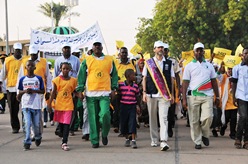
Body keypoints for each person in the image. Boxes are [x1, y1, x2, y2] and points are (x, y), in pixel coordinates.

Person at [77, 42, 118, 148]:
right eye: (95, 46)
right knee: (93, 118)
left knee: (105, 115)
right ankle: (94, 140)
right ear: (92, 48)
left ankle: (104, 134)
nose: (97, 48)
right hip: (91, 93)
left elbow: (114, 75)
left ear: (102, 48)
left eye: (99, 46)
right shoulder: (87, 60)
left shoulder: (109, 60)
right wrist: (80, 90)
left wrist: (114, 88)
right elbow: (81, 76)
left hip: (105, 92)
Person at [182, 42, 220, 149]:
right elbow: (185, 83)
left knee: (208, 117)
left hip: (207, 95)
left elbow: (214, 82)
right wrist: (184, 99)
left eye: (201, 50)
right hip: (193, 96)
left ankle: (204, 134)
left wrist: (217, 96)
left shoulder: (209, 65)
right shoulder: (189, 66)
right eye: (197, 50)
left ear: (203, 52)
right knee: (194, 120)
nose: (199, 52)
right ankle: (197, 141)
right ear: (194, 52)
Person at [142, 41, 175, 151]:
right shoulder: (149, 63)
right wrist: (144, 92)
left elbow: (172, 79)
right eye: (158, 48)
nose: (160, 49)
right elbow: (144, 78)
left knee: (163, 117)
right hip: (151, 93)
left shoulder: (169, 63)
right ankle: (154, 139)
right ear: (154, 49)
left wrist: (173, 94)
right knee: (152, 118)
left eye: (162, 48)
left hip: (164, 95)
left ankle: (163, 141)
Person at [47, 62, 77, 151]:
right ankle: (61, 134)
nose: (65, 70)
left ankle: (65, 142)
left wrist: (80, 95)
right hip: (59, 105)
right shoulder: (57, 80)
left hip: (68, 105)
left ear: (70, 70)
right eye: (64, 69)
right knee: (61, 124)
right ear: (60, 69)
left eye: (67, 69)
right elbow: (53, 93)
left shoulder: (73, 80)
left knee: (67, 124)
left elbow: (75, 91)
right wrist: (49, 104)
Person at [17, 60, 45, 150]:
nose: (30, 67)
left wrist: (34, 91)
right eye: (28, 65)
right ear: (26, 67)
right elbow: (19, 92)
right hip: (26, 106)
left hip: (36, 105)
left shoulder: (38, 79)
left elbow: (42, 91)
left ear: (34, 67)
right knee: (27, 123)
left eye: (32, 66)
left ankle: (37, 136)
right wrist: (25, 91)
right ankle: (27, 141)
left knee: (36, 125)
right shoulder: (22, 79)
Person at [54, 43, 80, 136]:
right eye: (64, 48)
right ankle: (59, 128)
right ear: (62, 50)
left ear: (70, 49)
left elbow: (79, 74)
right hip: (61, 87)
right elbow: (55, 74)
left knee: (72, 108)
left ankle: (70, 128)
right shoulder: (58, 60)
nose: (66, 50)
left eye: (68, 48)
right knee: (60, 108)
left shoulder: (76, 60)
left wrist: (78, 88)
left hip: (72, 87)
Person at [0, 42, 23, 133]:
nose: (17, 52)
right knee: (13, 109)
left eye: (19, 50)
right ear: (13, 50)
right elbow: (3, 73)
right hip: (11, 88)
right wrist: (0, 82)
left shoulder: (25, 60)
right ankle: (15, 127)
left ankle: (26, 125)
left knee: (25, 108)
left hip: (22, 88)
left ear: (21, 51)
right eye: (16, 50)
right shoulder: (8, 60)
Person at [113, 47, 136, 134]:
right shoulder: (115, 64)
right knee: (117, 108)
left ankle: (126, 129)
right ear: (119, 54)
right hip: (118, 90)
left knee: (126, 111)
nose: (124, 54)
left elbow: (134, 76)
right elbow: (113, 75)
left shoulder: (131, 64)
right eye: (122, 53)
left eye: (125, 53)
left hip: (129, 90)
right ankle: (116, 126)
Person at [231, 47, 248, 149]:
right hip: (241, 96)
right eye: (245, 53)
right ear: (242, 55)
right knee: (243, 117)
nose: (246, 55)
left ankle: (246, 140)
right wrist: (234, 97)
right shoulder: (236, 68)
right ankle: (238, 138)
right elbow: (234, 83)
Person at [119, 69, 140, 149]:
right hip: (123, 106)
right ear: (128, 76)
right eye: (133, 75)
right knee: (125, 122)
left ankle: (133, 140)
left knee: (132, 122)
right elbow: (119, 96)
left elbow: (137, 96)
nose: (134, 77)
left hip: (132, 106)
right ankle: (127, 138)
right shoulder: (121, 85)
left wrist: (138, 106)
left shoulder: (135, 86)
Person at [163, 43, 181, 137]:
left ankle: (169, 127)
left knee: (171, 109)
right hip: (161, 88)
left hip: (171, 88)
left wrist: (179, 87)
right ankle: (163, 128)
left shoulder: (173, 61)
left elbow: (177, 75)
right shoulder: (157, 61)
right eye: (163, 49)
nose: (164, 51)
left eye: (166, 50)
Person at [217, 61, 237, 140]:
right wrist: (220, 68)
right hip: (226, 103)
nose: (230, 70)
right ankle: (223, 127)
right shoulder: (224, 76)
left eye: (232, 69)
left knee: (234, 119)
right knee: (226, 118)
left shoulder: (235, 78)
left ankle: (232, 133)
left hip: (234, 102)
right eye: (229, 69)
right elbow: (217, 75)